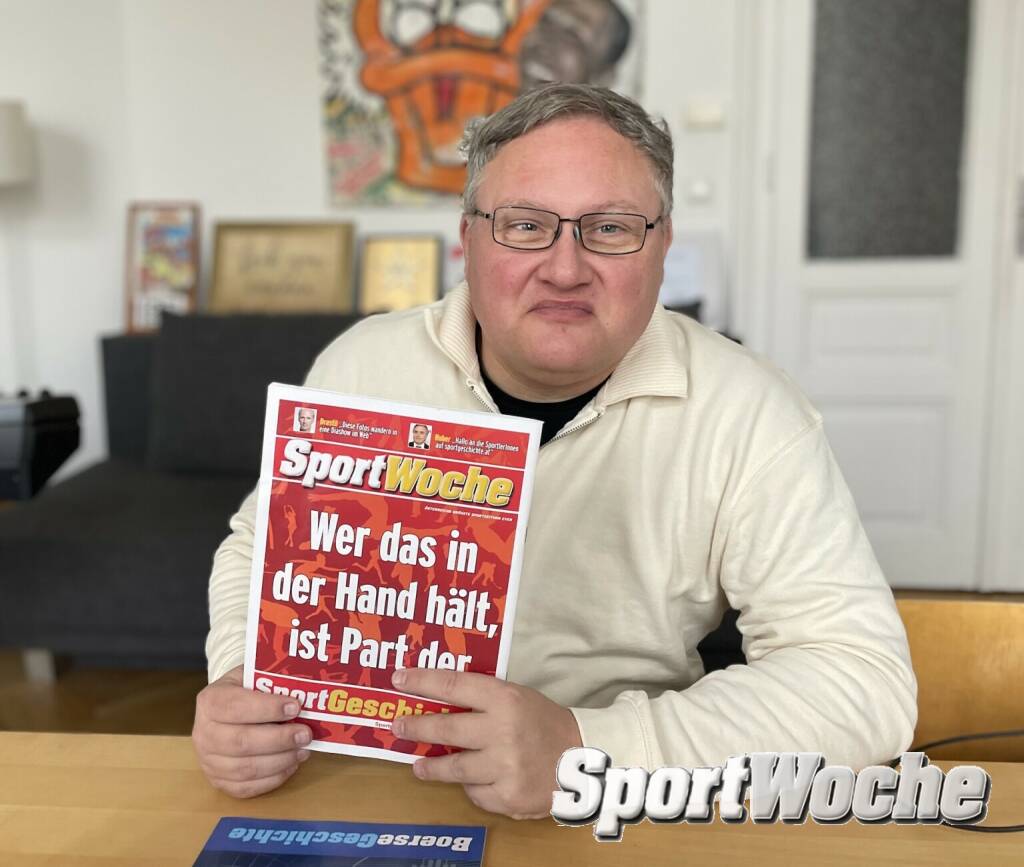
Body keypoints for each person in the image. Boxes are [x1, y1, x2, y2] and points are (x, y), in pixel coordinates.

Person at [193, 83, 916, 819]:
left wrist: (588, 750)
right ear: (468, 238)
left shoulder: (751, 410)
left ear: (663, 243)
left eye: (610, 228)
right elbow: (259, 546)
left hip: (616, 809)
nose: (565, 268)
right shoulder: (364, 366)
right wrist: (241, 683)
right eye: (524, 225)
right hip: (370, 782)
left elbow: (863, 680)